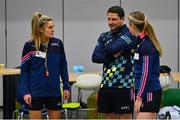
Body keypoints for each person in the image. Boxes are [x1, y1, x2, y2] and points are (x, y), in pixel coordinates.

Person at [19, 12, 70, 119]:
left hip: (54, 91)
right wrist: (26, 92)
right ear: (41, 29)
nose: (53, 30)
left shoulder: (58, 44)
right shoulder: (29, 45)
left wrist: (66, 86)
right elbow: (24, 71)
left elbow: (63, 67)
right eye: (50, 27)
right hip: (35, 92)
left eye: (53, 27)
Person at [92, 6, 138, 119]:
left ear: (123, 19)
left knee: (125, 117)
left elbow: (112, 48)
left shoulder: (130, 34)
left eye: (114, 19)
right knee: (109, 117)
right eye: (108, 19)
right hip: (106, 84)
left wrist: (108, 50)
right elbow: (95, 57)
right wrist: (112, 56)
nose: (110, 22)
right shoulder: (104, 36)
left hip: (124, 85)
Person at [127, 11, 163, 119]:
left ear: (132, 25)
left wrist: (139, 97)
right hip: (141, 91)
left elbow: (146, 74)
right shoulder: (139, 41)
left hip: (150, 91)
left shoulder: (147, 46)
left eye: (129, 24)